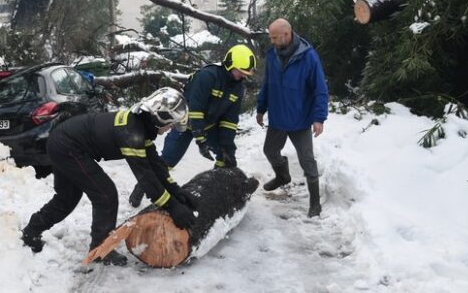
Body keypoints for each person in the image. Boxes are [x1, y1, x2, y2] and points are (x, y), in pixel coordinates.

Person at [21, 87, 198, 266]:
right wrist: (172, 206)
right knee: (105, 195)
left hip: (62, 142)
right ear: (161, 117)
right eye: (172, 124)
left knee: (67, 198)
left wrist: (176, 191)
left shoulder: (140, 127)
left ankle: (31, 232)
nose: (171, 128)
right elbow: (146, 178)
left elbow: (156, 167)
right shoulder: (133, 134)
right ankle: (99, 249)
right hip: (67, 146)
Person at [129, 44, 257, 207]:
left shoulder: (237, 87)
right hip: (185, 123)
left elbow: (230, 121)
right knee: (167, 160)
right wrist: (200, 139)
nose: (242, 77)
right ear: (230, 64)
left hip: (210, 125)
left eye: (245, 74)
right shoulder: (207, 76)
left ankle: (217, 186)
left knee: (226, 158)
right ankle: (142, 187)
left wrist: (228, 147)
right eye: (240, 72)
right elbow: (196, 109)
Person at [256, 18, 328, 218]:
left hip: (300, 120)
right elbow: (267, 84)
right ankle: (283, 176)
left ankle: (315, 203)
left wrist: (319, 118)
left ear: (287, 35)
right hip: (278, 117)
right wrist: (261, 108)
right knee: (270, 150)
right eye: (270, 37)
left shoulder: (309, 57)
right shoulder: (272, 55)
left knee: (307, 160)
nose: (271, 41)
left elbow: (320, 90)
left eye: (275, 37)